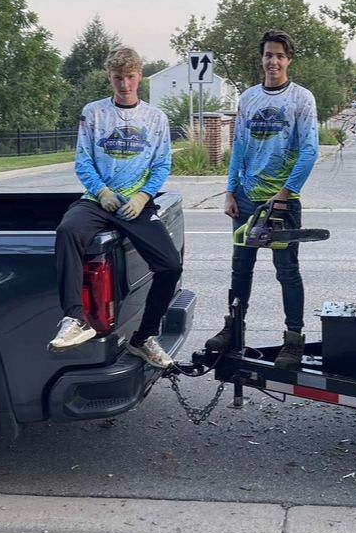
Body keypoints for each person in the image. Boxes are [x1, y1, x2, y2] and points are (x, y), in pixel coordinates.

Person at [50, 47, 181, 368]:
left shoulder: (156, 118)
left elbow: (162, 165)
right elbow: (82, 161)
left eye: (131, 77)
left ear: (141, 75)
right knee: (67, 230)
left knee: (170, 265)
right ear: (109, 77)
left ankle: (144, 338)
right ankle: (74, 319)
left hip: (135, 205)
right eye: (118, 78)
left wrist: (143, 196)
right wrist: (102, 191)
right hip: (99, 201)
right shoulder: (93, 113)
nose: (125, 84)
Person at [205, 29, 319, 370]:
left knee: (287, 272)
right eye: (268, 55)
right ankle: (234, 328)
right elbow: (239, 145)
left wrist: (286, 194)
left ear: (289, 60)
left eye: (280, 56)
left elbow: (310, 150)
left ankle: (294, 339)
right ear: (262, 58)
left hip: (281, 203)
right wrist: (229, 190)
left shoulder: (301, 99)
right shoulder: (249, 98)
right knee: (241, 267)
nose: (273, 61)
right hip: (246, 199)